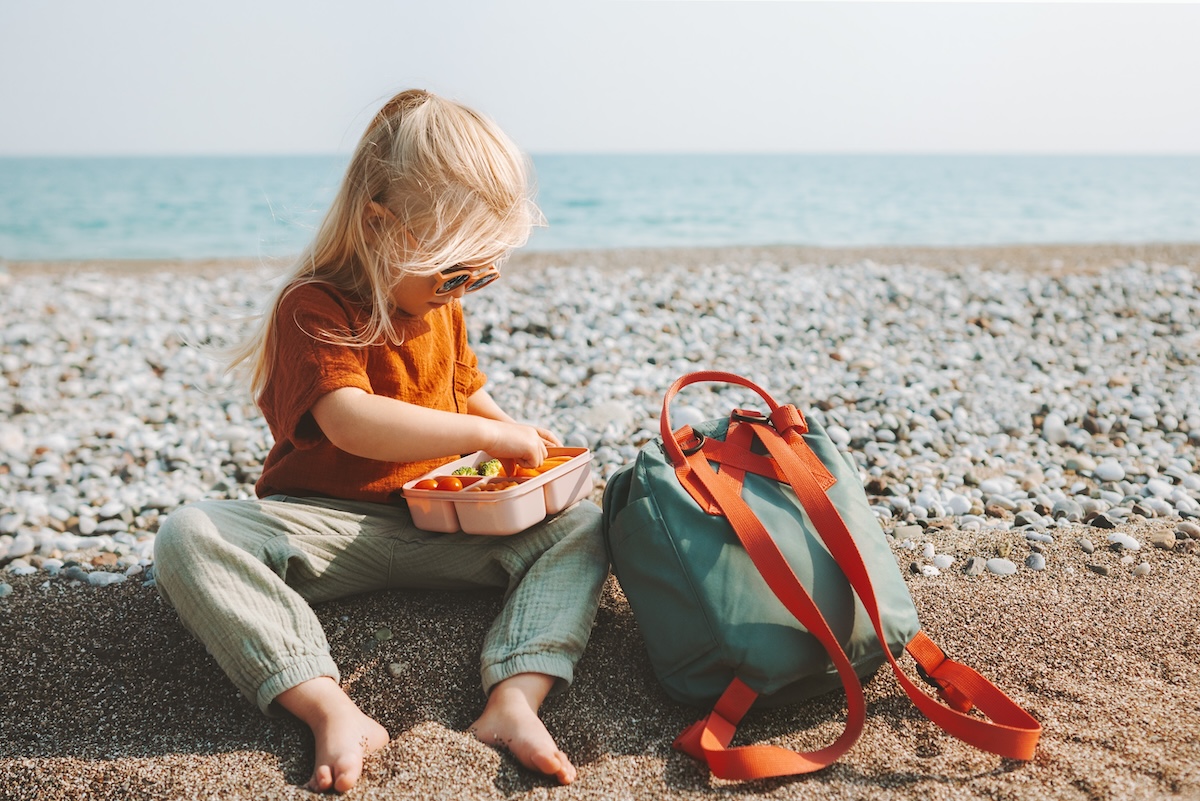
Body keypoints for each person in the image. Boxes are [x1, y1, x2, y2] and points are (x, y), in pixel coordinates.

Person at [152, 89, 608, 793]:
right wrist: (487, 432)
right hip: (329, 529)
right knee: (189, 532)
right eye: (455, 270)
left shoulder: (439, 305)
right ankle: (326, 702)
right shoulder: (314, 305)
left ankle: (514, 698)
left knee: (583, 523)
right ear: (380, 224)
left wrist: (521, 439)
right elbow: (351, 419)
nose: (464, 288)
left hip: (444, 522)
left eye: (479, 275)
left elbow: (466, 392)